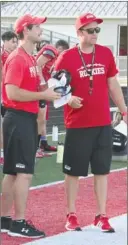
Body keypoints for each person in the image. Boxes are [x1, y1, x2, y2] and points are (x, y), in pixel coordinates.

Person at [54, 13, 127, 232]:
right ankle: (71, 214)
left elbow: (113, 84)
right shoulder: (66, 57)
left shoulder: (105, 53)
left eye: (97, 30)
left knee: (102, 171)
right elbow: (55, 91)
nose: (96, 34)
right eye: (91, 30)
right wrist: (69, 99)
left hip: (102, 123)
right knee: (73, 172)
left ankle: (102, 215)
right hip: (77, 125)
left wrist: (124, 110)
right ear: (79, 32)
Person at [1, 14, 61, 238]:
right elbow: (11, 92)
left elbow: (31, 89)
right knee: (23, 173)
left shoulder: (29, 58)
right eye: (37, 26)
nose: (41, 30)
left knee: (12, 173)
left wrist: (49, 92)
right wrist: (42, 94)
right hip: (19, 117)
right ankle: (18, 223)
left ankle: (5, 219)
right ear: (26, 30)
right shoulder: (18, 58)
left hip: (20, 118)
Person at [36, 44, 59, 157]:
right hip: (39, 88)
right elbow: (37, 65)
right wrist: (42, 84)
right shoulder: (52, 51)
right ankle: (35, 148)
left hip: (44, 88)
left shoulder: (55, 57)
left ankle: (43, 143)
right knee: (39, 119)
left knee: (43, 118)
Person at [0, 31, 18, 165]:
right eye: (12, 41)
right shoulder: (3, 55)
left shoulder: (13, 55)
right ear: (4, 41)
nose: (15, 44)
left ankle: (6, 152)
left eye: (16, 41)